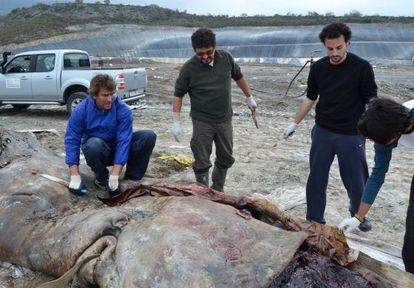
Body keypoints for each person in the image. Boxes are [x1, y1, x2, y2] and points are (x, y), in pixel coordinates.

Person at [283, 22, 377, 230]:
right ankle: (315, 218)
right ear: (325, 46)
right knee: (316, 177)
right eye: (330, 48)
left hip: (352, 134)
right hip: (323, 131)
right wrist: (294, 122)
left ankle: (358, 215)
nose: (334, 53)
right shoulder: (318, 67)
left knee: (356, 179)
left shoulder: (361, 67)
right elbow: (310, 97)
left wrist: (374, 126)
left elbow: (371, 100)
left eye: (339, 48)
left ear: (347, 43)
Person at [172, 28, 257, 192]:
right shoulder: (189, 68)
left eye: (208, 52)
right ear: (194, 50)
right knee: (201, 157)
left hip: (224, 118)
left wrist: (249, 97)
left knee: (226, 156)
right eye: (200, 53)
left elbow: (238, 76)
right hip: (202, 120)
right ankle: (203, 190)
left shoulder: (226, 58)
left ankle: (218, 189)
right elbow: (178, 95)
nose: (204, 56)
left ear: (215, 46)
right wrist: (176, 121)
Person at [339, 98, 414, 274]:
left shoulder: (390, 130)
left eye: (378, 140)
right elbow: (377, 175)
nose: (377, 144)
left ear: (394, 134)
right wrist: (358, 218)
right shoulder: (387, 131)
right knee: (411, 249)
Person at [64, 74, 156, 196]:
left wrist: (115, 175)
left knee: (148, 136)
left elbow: (124, 141)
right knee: (93, 144)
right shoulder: (81, 111)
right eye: (105, 95)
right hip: (98, 152)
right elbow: (72, 140)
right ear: (94, 96)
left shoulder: (123, 110)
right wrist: (74, 176)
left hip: (119, 148)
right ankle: (102, 178)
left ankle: (132, 178)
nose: (110, 99)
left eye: (112, 94)